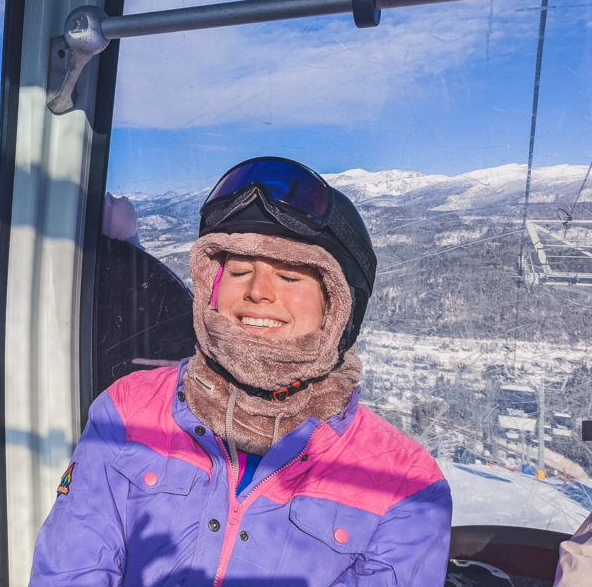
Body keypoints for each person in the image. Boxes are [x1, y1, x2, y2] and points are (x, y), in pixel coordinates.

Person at [30, 157, 452, 586]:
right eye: (239, 271)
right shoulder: (128, 410)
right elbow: (70, 570)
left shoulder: (403, 484)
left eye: (289, 277)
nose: (257, 292)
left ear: (337, 309)